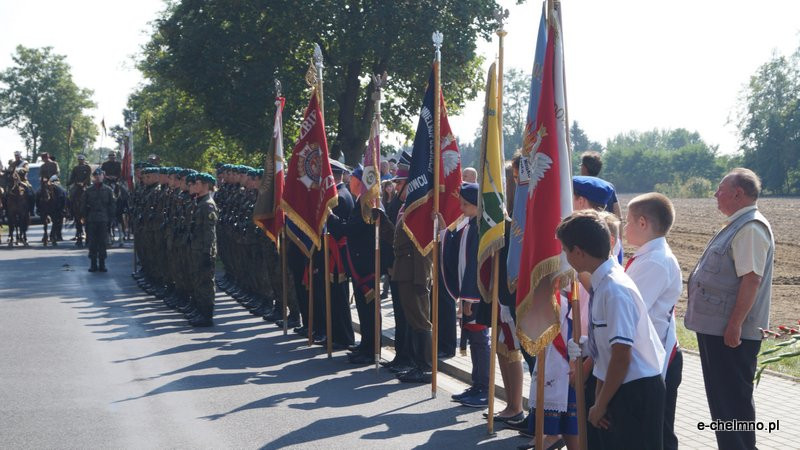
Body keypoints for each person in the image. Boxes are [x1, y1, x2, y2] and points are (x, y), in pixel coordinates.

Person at [559, 209, 666, 450]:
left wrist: (600, 404)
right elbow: (607, 352)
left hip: (635, 389)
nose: (565, 257)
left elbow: (621, 356)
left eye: (565, 251)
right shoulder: (603, 281)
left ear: (578, 252)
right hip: (617, 384)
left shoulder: (614, 290)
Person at [685, 168, 774, 450]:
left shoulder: (750, 228)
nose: (715, 194)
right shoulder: (738, 224)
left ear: (738, 194)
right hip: (721, 330)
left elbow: (752, 279)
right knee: (724, 404)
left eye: (720, 189)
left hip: (731, 335)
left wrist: (735, 324)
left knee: (731, 404)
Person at [623, 193, 682, 450]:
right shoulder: (649, 257)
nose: (625, 227)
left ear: (643, 223)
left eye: (628, 221)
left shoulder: (655, 262)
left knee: (656, 435)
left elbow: (628, 313)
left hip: (653, 359)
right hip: (647, 357)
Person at [442, 182, 492, 407]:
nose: (461, 208)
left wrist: (469, 299)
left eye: (465, 204)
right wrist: (444, 231)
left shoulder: (479, 228)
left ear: (475, 205)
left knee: (480, 340)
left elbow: (474, 266)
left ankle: (484, 387)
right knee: (474, 339)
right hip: (469, 295)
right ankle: (477, 383)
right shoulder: (470, 225)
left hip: (477, 297)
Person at [185, 172, 219, 327]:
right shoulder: (200, 202)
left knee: (205, 283)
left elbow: (209, 233)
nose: (194, 185)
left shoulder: (208, 205)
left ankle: (206, 315)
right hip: (196, 249)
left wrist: (207, 253)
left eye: (198, 183)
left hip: (204, 251)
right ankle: (200, 310)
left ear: (206, 185)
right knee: (197, 281)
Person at [81, 168, 115, 272]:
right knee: (92, 242)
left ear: (103, 176)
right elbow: (83, 205)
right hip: (92, 219)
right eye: (96, 176)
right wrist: (84, 217)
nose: (98, 177)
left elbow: (112, 205)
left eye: (100, 175)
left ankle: (102, 264)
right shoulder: (88, 190)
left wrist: (111, 218)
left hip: (104, 219)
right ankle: (93, 264)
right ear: (93, 177)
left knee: (103, 242)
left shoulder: (108, 190)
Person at [579, 151, 620, 218]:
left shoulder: (577, 185)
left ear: (584, 168)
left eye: (581, 165)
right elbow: (617, 213)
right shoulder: (609, 186)